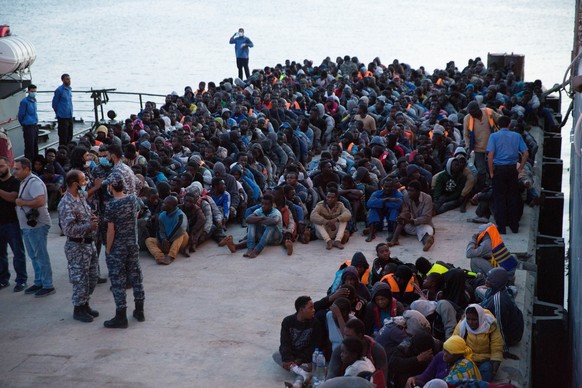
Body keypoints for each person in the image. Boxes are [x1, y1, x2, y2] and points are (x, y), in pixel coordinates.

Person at [103, 173, 145, 329]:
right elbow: (136, 213)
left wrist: (108, 249)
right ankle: (139, 311)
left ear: (112, 187)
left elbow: (111, 231)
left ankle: (121, 316)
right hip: (132, 244)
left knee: (118, 280)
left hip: (118, 248)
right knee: (136, 276)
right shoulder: (133, 199)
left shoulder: (111, 205)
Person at [13, 158, 55, 297]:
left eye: (18, 168)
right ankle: (39, 282)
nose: (15, 171)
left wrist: (21, 202)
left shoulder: (34, 182)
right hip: (28, 227)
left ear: (26, 169)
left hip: (37, 225)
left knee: (40, 255)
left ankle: (48, 284)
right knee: (34, 255)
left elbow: (40, 201)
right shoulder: (25, 182)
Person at [486, 115, 529, 234]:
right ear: (509, 124)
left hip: (499, 169)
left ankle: (502, 227)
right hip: (512, 169)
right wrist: (520, 168)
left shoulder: (494, 136)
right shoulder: (517, 136)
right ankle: (514, 226)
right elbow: (526, 153)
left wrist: (491, 172)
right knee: (513, 197)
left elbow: (490, 155)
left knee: (499, 199)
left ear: (498, 125)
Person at [405, 335, 481, 388]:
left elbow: (446, 385)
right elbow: (426, 375)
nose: (445, 354)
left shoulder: (463, 368)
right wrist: (413, 378)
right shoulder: (440, 356)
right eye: (444, 350)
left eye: (449, 352)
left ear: (458, 355)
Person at [276, 296, 321, 382]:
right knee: (276, 355)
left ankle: (298, 379)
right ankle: (302, 373)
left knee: (305, 365)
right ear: (301, 310)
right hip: (292, 354)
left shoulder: (315, 323)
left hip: (305, 356)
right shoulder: (287, 321)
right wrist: (288, 359)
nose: (314, 310)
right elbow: (285, 342)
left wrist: (299, 360)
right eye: (310, 308)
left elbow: (314, 345)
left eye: (313, 307)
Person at [453, 304, 503, 382]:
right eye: (468, 319)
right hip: (468, 358)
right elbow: (454, 342)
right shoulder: (462, 325)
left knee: (485, 372)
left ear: (480, 318)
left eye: (474, 320)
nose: (470, 322)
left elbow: (496, 348)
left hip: (485, 359)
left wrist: (494, 371)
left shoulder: (491, 326)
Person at [0, 156, 28, 292]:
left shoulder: (15, 182)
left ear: (8, 166)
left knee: (18, 253)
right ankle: (3, 279)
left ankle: (21, 280)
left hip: (12, 223)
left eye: (1, 166)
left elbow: (12, 197)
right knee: (1, 254)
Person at [479, 267, 524, 347]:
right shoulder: (499, 290)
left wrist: (502, 347)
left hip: (511, 337)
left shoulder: (499, 300)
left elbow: (500, 325)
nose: (486, 280)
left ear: (496, 282)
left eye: (489, 279)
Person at [463, 101, 501, 191]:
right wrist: (468, 147)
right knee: (481, 170)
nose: (472, 115)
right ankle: (482, 187)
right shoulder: (467, 119)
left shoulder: (489, 112)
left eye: (473, 113)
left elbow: (501, 120)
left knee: (493, 168)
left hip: (493, 147)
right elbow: (466, 135)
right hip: (478, 149)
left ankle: (495, 186)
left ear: (478, 110)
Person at [145, 195, 189, 265]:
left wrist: (168, 240)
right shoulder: (162, 215)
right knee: (149, 240)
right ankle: (160, 257)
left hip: (177, 242)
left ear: (171, 206)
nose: (162, 204)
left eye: (164, 203)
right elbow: (160, 230)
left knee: (183, 234)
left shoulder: (180, 215)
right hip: (166, 243)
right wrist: (163, 240)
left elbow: (179, 229)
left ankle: (171, 256)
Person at [391, 180, 434, 250]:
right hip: (411, 225)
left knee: (425, 230)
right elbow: (405, 211)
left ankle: (427, 241)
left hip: (423, 224)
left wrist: (411, 221)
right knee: (403, 219)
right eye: (408, 190)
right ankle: (394, 239)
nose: (409, 193)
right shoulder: (406, 196)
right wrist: (402, 217)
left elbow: (427, 218)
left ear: (418, 191)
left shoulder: (427, 198)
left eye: (412, 191)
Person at [243, 194, 283, 258]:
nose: (263, 206)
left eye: (266, 204)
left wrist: (257, 219)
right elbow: (248, 219)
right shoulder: (260, 210)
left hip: (276, 239)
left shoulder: (276, 213)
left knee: (271, 225)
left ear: (271, 205)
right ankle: (250, 248)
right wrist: (262, 218)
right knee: (252, 222)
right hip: (264, 238)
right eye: (262, 203)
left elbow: (273, 222)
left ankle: (257, 250)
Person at [365, 177, 403, 242]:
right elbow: (369, 204)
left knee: (394, 210)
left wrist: (381, 203)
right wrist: (386, 200)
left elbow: (398, 205)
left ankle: (394, 234)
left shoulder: (398, 194)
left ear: (393, 187)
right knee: (373, 209)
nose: (388, 188)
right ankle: (371, 233)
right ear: (382, 186)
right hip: (379, 218)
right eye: (386, 186)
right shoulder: (376, 193)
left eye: (390, 186)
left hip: (391, 220)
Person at [18, 84, 39, 161]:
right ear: (28, 91)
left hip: (35, 125)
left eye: (35, 91)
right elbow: (21, 115)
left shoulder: (34, 101)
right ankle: (29, 163)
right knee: (29, 146)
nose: (33, 93)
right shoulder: (24, 102)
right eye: (32, 91)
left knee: (35, 145)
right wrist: (24, 124)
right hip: (28, 126)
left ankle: (36, 162)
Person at [52, 73, 74, 145]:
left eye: (69, 79)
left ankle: (69, 150)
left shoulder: (69, 89)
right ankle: (62, 150)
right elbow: (54, 103)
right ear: (63, 80)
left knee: (70, 135)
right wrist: (58, 113)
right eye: (67, 79)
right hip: (62, 116)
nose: (69, 81)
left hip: (69, 115)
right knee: (63, 136)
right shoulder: (59, 90)